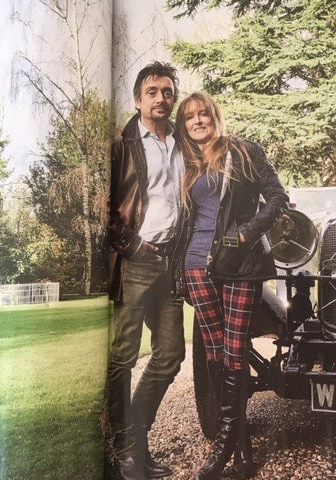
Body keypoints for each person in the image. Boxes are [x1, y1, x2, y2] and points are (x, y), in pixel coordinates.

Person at [174, 92, 289, 480]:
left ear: (215, 116)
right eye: (189, 117)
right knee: (215, 355)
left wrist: (244, 234)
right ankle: (241, 450)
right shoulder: (188, 164)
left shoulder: (244, 151)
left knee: (235, 351)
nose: (197, 121)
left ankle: (223, 447)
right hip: (197, 266)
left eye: (203, 114)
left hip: (240, 265)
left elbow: (278, 198)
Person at [107, 61, 185, 480]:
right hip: (137, 261)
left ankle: (135, 441)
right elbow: (103, 208)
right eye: (152, 91)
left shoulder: (182, 142)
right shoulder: (122, 147)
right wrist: (133, 245)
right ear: (138, 100)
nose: (160, 98)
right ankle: (124, 451)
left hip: (172, 262)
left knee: (170, 354)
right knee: (123, 357)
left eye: (167, 91)